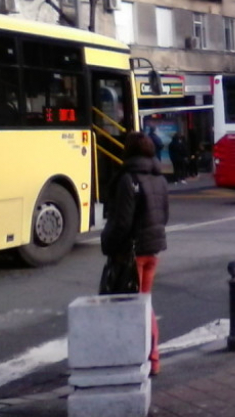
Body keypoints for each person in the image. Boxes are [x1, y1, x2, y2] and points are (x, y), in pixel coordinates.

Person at [101, 132, 169, 376]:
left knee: (128, 306)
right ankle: (154, 358)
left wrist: (107, 243)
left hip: (131, 254)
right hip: (153, 250)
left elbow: (122, 223)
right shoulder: (159, 179)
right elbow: (164, 216)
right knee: (144, 303)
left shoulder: (128, 179)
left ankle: (132, 358)